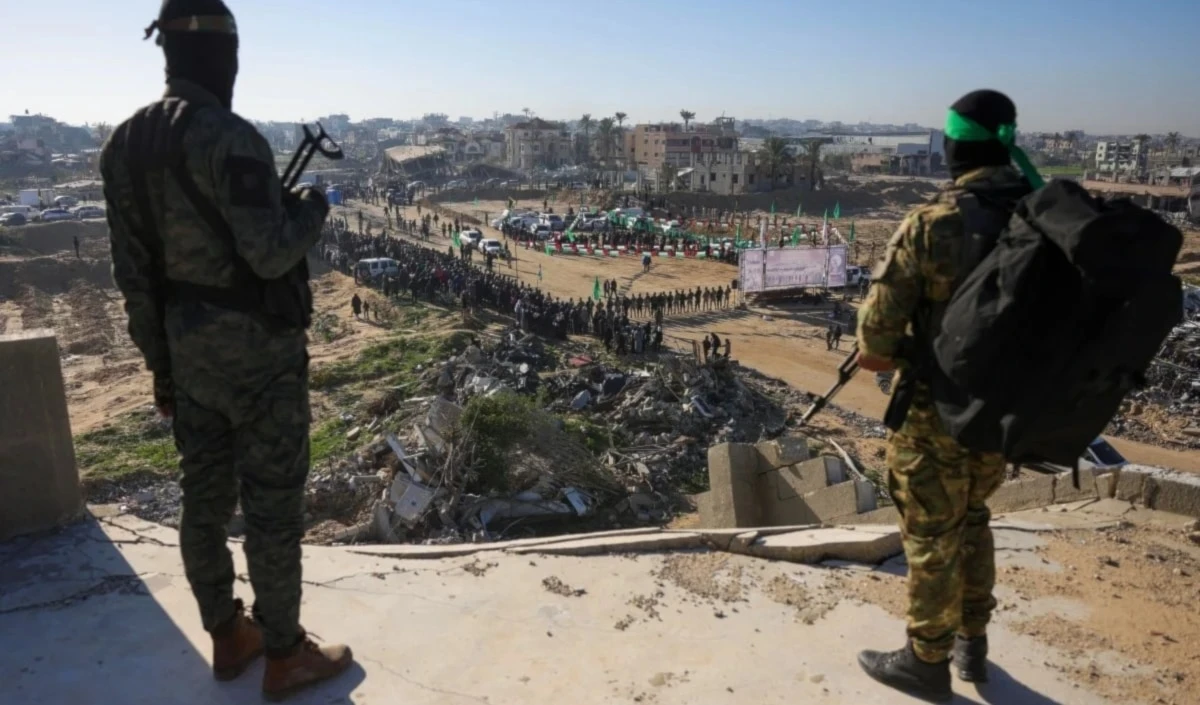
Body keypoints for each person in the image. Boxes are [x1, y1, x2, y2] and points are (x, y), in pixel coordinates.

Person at [102, 1, 353, 698]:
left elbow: (135, 279)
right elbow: (271, 253)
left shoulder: (121, 146)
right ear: (225, 58)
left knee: (203, 499)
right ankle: (283, 651)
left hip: (185, 357)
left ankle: (225, 633)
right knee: (273, 506)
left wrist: (162, 368)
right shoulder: (231, 138)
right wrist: (311, 206)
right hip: (258, 360)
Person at [855, 89, 1032, 702]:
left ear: (952, 145)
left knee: (932, 535)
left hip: (936, 416)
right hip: (1002, 414)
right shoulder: (1040, 217)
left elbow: (874, 348)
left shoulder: (933, 224)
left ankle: (925, 661)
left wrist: (914, 350)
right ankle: (971, 644)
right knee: (974, 519)